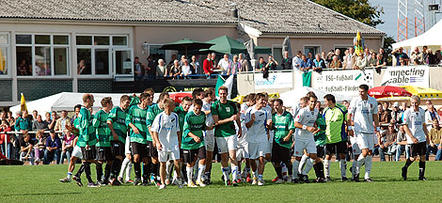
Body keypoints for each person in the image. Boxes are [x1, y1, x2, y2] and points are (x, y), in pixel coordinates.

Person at [348, 84, 380, 182]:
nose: (360, 93)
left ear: (367, 92)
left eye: (362, 91)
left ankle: (367, 176)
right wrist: (349, 127)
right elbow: (349, 114)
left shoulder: (373, 101)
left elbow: (375, 116)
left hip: (370, 130)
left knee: (370, 153)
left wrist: (377, 129)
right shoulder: (355, 100)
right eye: (359, 91)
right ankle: (356, 169)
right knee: (365, 152)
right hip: (359, 130)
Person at [211, 86, 242, 186]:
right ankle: (226, 178)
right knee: (224, 157)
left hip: (231, 133)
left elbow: (236, 117)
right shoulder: (215, 105)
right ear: (218, 94)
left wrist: (240, 128)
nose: (223, 95)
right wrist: (229, 119)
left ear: (227, 94)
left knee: (233, 156)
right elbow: (216, 122)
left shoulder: (232, 104)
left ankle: (235, 179)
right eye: (221, 94)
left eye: (224, 93)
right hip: (220, 134)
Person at [151, 98, 183, 190]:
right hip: (163, 143)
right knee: (163, 163)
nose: (175, 106)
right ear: (168, 106)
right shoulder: (160, 117)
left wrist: (179, 142)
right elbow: (154, 131)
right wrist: (157, 142)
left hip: (174, 143)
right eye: (173, 105)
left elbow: (178, 130)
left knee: (177, 161)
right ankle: (163, 183)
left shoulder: (175, 116)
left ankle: (178, 179)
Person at [292, 95, 324, 183]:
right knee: (298, 157)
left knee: (313, 156)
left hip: (309, 137)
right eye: (311, 101)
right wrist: (306, 127)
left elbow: (316, 122)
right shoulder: (303, 111)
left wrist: (319, 127)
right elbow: (295, 123)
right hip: (300, 137)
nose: (313, 104)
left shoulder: (316, 111)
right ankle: (294, 177)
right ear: (308, 102)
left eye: (314, 102)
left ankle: (304, 173)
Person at [245, 93, 272, 186]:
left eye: (265, 100)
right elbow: (247, 125)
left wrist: (269, 124)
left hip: (262, 137)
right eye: (262, 100)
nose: (264, 102)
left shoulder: (267, 111)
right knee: (252, 159)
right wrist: (252, 120)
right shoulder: (249, 111)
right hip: (251, 138)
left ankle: (260, 178)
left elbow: (269, 121)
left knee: (261, 158)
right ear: (256, 100)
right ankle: (254, 176)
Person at [181, 99, 210, 187]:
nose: (197, 110)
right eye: (196, 108)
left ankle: (199, 179)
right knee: (191, 162)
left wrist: (209, 127)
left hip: (200, 141)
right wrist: (194, 137)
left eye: (199, 109)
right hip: (188, 142)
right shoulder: (189, 116)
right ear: (193, 107)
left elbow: (203, 126)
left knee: (203, 158)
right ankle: (190, 181)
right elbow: (186, 130)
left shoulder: (202, 115)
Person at [402, 96, 430, 181]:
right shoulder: (408, 112)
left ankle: (421, 176)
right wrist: (412, 137)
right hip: (412, 138)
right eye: (413, 102)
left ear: (419, 102)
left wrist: (427, 136)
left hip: (421, 137)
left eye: (416, 102)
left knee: (423, 156)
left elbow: (423, 124)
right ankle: (405, 168)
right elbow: (405, 126)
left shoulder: (422, 111)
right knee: (413, 157)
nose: (414, 104)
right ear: (411, 103)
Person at [126, 93, 151, 186]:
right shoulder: (133, 108)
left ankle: (145, 178)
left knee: (145, 159)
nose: (150, 101)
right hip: (135, 137)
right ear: (143, 100)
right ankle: (137, 177)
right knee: (136, 157)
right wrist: (133, 127)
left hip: (146, 137)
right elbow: (127, 120)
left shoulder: (149, 110)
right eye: (148, 99)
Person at [323, 94, 348, 181]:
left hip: (340, 137)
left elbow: (347, 121)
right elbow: (323, 123)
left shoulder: (342, 109)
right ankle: (327, 176)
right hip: (329, 138)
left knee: (342, 156)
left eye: (326, 101)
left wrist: (349, 130)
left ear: (330, 101)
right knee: (328, 156)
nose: (325, 103)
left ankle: (343, 176)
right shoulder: (325, 110)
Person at [107, 95, 131, 185]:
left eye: (129, 103)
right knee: (117, 157)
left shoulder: (127, 112)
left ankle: (113, 177)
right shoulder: (116, 109)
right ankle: (112, 177)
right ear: (121, 102)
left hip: (123, 138)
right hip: (115, 137)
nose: (128, 105)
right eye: (126, 103)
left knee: (120, 157)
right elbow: (109, 121)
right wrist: (113, 133)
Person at [77, 93, 99, 187]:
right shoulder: (84, 112)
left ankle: (78, 175)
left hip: (89, 140)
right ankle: (89, 181)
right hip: (86, 141)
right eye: (93, 99)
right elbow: (84, 127)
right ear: (88, 100)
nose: (94, 101)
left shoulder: (85, 111)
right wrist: (86, 142)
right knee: (87, 160)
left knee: (89, 159)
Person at [271, 99, 294, 183]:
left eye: (277, 105)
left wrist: (288, 136)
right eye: (274, 105)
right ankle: (280, 177)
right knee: (275, 161)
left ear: (281, 105)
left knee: (287, 161)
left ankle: (291, 176)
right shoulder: (273, 116)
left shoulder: (288, 115)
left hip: (285, 143)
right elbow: (271, 127)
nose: (275, 107)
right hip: (276, 141)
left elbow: (292, 128)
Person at [92, 97, 113, 185]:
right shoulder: (99, 114)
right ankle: (99, 179)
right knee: (100, 160)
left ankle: (106, 178)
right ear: (107, 104)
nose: (112, 104)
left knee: (110, 160)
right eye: (111, 103)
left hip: (109, 141)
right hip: (101, 141)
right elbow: (94, 125)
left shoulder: (111, 114)